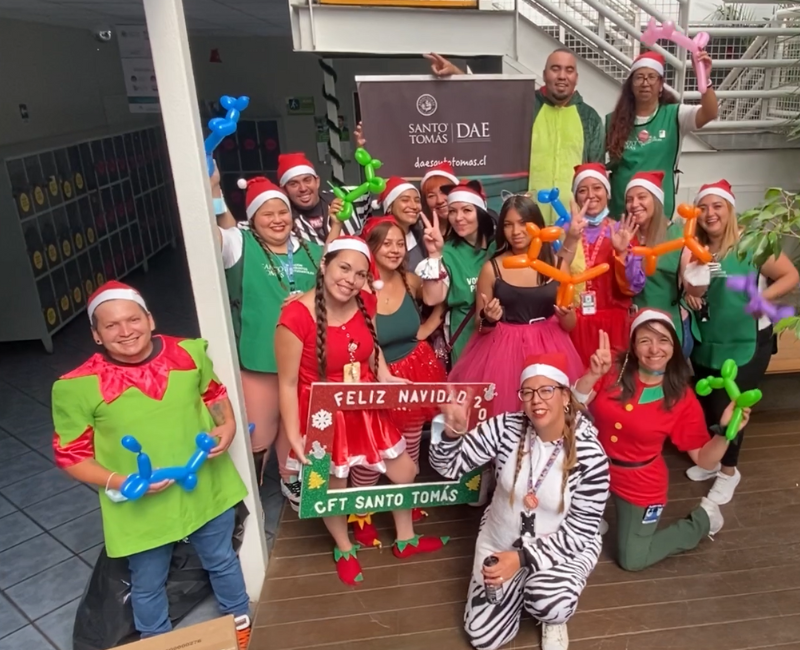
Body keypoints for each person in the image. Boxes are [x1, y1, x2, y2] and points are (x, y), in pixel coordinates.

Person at [51, 282, 252, 646]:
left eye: (133, 319)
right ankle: (156, 641)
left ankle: (241, 623)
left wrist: (228, 424)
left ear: (150, 319)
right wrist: (119, 480)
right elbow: (71, 456)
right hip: (141, 505)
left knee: (221, 559)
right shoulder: (75, 387)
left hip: (205, 486)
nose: (126, 331)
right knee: (147, 581)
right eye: (111, 326)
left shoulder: (189, 353)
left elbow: (214, 393)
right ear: (96, 335)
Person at [274, 236, 448, 585]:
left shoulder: (366, 300)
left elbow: (372, 348)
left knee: (404, 471)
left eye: (359, 273)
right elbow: (288, 383)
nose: (350, 279)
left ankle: (405, 538)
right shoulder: (294, 318)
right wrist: (294, 434)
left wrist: (384, 376)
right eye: (343, 268)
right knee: (333, 486)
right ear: (323, 266)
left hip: (367, 405)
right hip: (323, 413)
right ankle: (344, 547)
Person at [430, 353, 609, 650]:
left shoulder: (590, 454)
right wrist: (450, 433)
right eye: (527, 392)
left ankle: (551, 616)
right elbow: (449, 467)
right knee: (482, 638)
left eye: (546, 390)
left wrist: (522, 559)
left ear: (566, 396)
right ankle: (514, 593)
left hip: (562, 548)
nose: (536, 400)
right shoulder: (505, 427)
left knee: (551, 603)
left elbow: (581, 532)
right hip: (501, 539)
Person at [573, 309, 751, 572]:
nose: (654, 348)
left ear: (674, 347)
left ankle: (704, 519)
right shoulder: (612, 368)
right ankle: (588, 516)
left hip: (638, 482)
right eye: (645, 340)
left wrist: (725, 432)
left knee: (633, 559)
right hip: (592, 471)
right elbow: (572, 408)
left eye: (663, 340)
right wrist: (592, 375)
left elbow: (703, 458)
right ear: (633, 345)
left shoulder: (681, 397)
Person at [683, 180, 798, 503]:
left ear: (730, 209)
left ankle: (729, 472)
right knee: (709, 404)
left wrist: (762, 298)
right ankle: (713, 458)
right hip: (709, 339)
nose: (710, 213)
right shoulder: (695, 248)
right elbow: (693, 289)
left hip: (748, 342)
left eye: (717, 206)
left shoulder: (752, 244)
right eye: (703, 207)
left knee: (732, 407)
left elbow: (790, 276)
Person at [214, 173, 322, 507]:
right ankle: (248, 495)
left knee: (301, 427)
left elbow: (335, 290)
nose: (278, 220)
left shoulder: (314, 250)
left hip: (305, 356)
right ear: (253, 219)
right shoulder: (238, 245)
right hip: (258, 358)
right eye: (268, 214)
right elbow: (206, 228)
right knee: (258, 433)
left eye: (283, 212)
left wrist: (309, 299)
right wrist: (213, 186)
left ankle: (293, 483)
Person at [346, 217, 448, 546]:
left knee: (410, 445)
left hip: (412, 370)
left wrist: (434, 256)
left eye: (399, 243)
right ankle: (361, 513)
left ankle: (405, 504)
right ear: (370, 247)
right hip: (373, 375)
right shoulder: (357, 285)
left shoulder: (409, 278)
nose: (393, 249)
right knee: (373, 451)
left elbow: (435, 299)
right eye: (385, 243)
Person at [426, 50, 603, 227]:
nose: (562, 76)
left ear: (576, 77)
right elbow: (490, 102)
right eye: (555, 69)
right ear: (544, 74)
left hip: (574, 227)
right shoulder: (525, 106)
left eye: (569, 70)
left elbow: (595, 177)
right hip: (528, 223)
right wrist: (458, 75)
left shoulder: (589, 119)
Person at [449, 194, 585, 414]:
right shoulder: (492, 269)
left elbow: (570, 325)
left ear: (537, 225)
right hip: (503, 354)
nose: (516, 232)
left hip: (551, 348)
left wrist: (564, 314)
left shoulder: (558, 265)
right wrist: (489, 318)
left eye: (523, 223)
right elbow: (480, 326)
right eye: (508, 225)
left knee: (550, 415)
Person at [606, 51, 718, 220]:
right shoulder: (612, 120)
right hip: (621, 212)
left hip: (659, 214)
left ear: (660, 85)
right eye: (639, 77)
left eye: (652, 77)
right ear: (631, 85)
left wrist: (705, 80)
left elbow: (709, 113)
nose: (645, 83)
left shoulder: (675, 114)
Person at [568, 163, 644, 366]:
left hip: (614, 326)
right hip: (575, 325)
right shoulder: (566, 231)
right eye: (582, 190)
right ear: (576, 196)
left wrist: (621, 252)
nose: (590, 195)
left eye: (597, 188)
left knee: (613, 389)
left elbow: (633, 287)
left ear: (608, 193)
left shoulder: (622, 230)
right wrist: (569, 239)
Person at [416, 180, 497, 366]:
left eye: (467, 210)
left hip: (501, 338)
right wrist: (435, 254)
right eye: (452, 211)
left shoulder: (499, 247)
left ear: (481, 212)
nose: (458, 217)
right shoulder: (448, 252)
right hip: (466, 340)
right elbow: (432, 299)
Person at [624, 170, 697, 356]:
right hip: (634, 330)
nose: (634, 204)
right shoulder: (623, 233)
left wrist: (698, 282)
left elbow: (693, 282)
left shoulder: (679, 236)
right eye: (629, 199)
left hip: (670, 330)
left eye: (642, 197)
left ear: (656, 200)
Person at [278, 152, 369, 243]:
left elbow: (375, 186)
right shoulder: (283, 222)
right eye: (293, 184)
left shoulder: (347, 196)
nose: (303, 188)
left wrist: (361, 148)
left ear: (317, 181)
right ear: (284, 190)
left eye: (307, 180)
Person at [377, 176, 427, 269]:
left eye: (417, 200)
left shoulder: (424, 239)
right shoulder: (376, 239)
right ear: (389, 207)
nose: (414, 206)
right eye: (405, 200)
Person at [421, 161, 458, 239]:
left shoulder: (470, 229)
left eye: (443, 192)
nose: (439, 201)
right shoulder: (422, 234)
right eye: (431, 196)